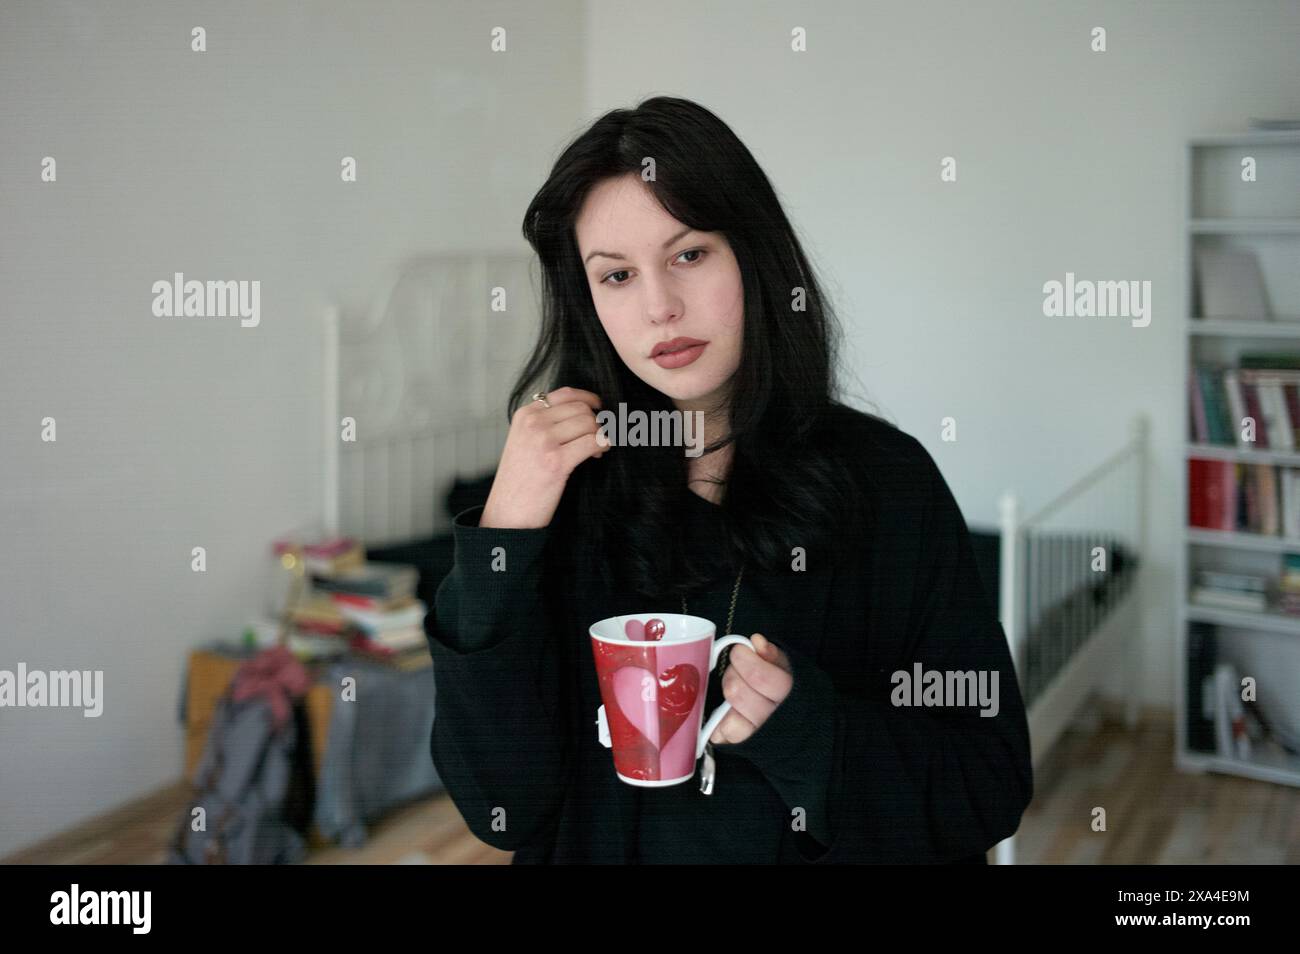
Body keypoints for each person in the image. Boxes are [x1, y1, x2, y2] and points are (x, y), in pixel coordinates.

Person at [424, 96, 1033, 864]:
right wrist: (504, 533)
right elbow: (501, 806)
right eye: (615, 276)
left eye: (689, 255)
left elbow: (991, 781)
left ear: (753, 255)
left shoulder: (888, 482)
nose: (659, 308)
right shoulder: (560, 498)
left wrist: (809, 729)